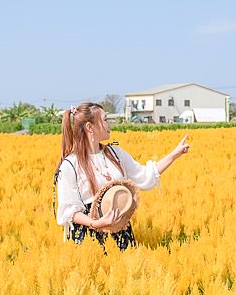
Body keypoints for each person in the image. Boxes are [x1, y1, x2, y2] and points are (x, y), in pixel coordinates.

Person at [54, 101, 190, 249]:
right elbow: (69, 211)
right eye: (105, 120)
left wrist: (174, 154)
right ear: (89, 127)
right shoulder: (70, 165)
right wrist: (97, 223)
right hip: (90, 240)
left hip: (121, 234)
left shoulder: (115, 154)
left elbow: (145, 176)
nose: (109, 124)